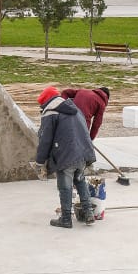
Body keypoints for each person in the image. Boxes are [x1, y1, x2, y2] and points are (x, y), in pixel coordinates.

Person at [35, 86, 97, 227]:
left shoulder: (50, 112)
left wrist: (40, 162)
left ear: (46, 101)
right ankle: (88, 213)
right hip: (82, 154)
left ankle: (66, 219)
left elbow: (45, 140)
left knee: (65, 187)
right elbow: (85, 131)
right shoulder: (75, 109)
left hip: (65, 156)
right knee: (80, 181)